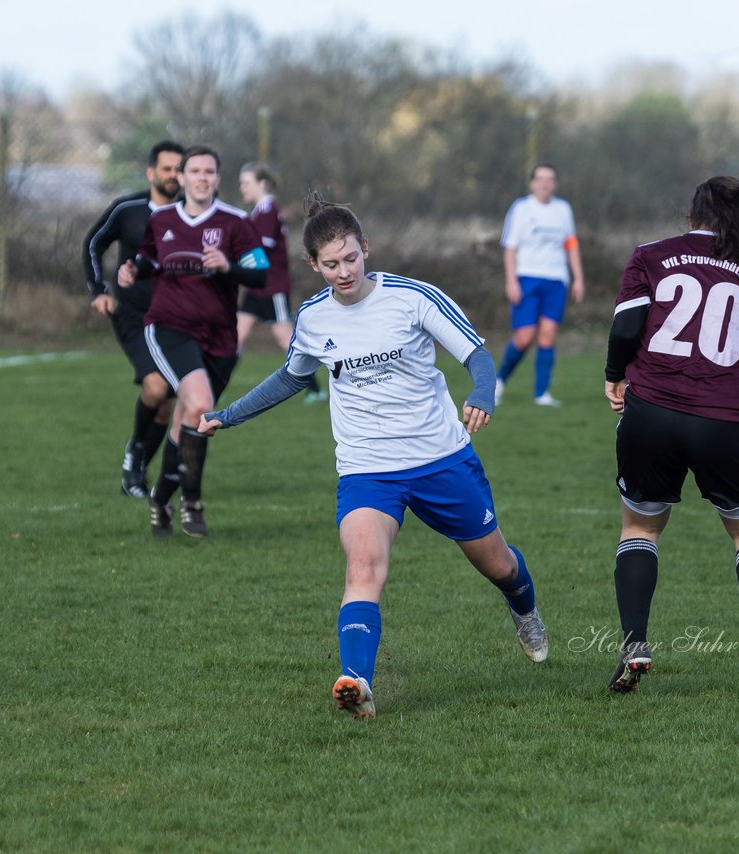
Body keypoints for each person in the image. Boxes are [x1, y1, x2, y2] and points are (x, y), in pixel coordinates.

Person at [199, 194, 548, 719]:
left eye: (351, 259)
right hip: (367, 468)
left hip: (440, 459)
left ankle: (524, 608)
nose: (343, 272)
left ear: (366, 248)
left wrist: (482, 394)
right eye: (331, 264)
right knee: (363, 567)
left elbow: (475, 353)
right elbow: (292, 377)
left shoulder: (413, 298)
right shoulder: (313, 317)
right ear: (314, 265)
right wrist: (230, 414)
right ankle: (357, 682)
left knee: (497, 563)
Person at [603, 175, 739, 697]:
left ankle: (634, 644)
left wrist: (614, 374)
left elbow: (626, 329)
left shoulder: (650, 255)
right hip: (723, 420)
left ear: (692, 216)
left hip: (651, 413)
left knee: (641, 530)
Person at [117, 144, 268, 539]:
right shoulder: (162, 219)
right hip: (169, 327)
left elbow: (260, 273)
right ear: (180, 178)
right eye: (195, 171)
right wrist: (133, 270)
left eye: (209, 172)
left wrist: (228, 266)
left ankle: (161, 496)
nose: (202, 178)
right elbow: (149, 260)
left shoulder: (236, 222)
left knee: (190, 420)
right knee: (201, 406)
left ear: (218, 179)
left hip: (219, 336)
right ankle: (192, 502)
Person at [83, 140, 184, 499]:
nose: (174, 176)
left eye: (179, 169)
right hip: (132, 314)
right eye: (167, 169)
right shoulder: (128, 209)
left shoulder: (191, 214)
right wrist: (99, 290)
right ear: (151, 172)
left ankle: (137, 466)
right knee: (156, 388)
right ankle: (134, 458)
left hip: (175, 318)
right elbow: (93, 243)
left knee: (169, 402)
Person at [494, 163, 585, 407]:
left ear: (555, 184)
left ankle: (541, 393)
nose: (545, 183)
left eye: (550, 179)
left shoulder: (563, 209)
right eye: (541, 178)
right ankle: (498, 381)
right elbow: (510, 247)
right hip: (527, 277)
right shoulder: (521, 208)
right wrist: (511, 280)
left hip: (556, 279)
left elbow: (570, 244)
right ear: (532, 183)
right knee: (524, 336)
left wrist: (578, 277)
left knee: (547, 335)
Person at [235, 162, 325, 403]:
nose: (242, 188)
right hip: (256, 288)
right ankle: (215, 383)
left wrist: (229, 259)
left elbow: (259, 251)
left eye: (246, 183)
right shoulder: (258, 212)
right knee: (235, 335)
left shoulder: (267, 212)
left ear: (261, 184)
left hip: (272, 288)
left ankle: (315, 388)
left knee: (286, 340)